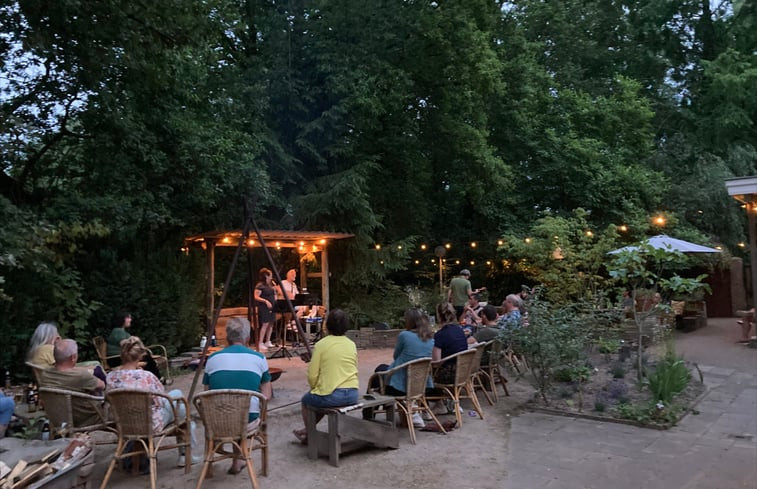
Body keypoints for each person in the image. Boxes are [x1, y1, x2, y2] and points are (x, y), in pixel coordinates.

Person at [106, 336, 200, 466]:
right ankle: (185, 453)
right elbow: (160, 399)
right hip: (149, 423)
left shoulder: (110, 377)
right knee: (179, 400)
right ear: (140, 356)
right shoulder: (147, 376)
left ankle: (186, 446)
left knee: (176, 400)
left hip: (123, 423)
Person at [204, 317, 272, 474]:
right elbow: (266, 396)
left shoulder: (213, 358)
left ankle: (228, 460)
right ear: (247, 338)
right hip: (247, 422)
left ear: (227, 337)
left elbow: (207, 392)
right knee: (246, 411)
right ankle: (238, 459)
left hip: (217, 422)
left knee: (229, 409)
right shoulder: (259, 358)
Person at [292, 309, 358, 444]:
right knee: (320, 397)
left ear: (327, 325)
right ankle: (308, 429)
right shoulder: (351, 344)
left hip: (332, 395)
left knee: (308, 400)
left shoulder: (321, 344)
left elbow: (312, 375)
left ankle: (310, 435)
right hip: (353, 393)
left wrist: (315, 387)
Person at [370, 308, 435, 427]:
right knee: (382, 368)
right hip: (419, 385)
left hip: (400, 387)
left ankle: (369, 415)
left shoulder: (404, 335)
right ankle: (384, 407)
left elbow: (396, 356)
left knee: (377, 377)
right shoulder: (431, 339)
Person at [39, 339, 105, 427]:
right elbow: (102, 385)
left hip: (59, 418)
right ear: (73, 357)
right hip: (86, 418)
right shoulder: (81, 376)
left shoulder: (45, 373)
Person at [106, 311, 162, 379]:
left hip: (122, 357)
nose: (130, 319)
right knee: (148, 359)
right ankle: (156, 379)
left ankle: (155, 378)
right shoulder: (118, 332)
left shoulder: (121, 331)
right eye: (128, 317)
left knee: (147, 357)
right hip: (116, 359)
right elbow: (126, 346)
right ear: (121, 319)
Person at [432, 302, 468, 384]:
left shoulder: (440, 335)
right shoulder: (459, 330)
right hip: (464, 371)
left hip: (449, 375)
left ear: (439, 316)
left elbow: (436, 364)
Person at [254, 268, 280, 351]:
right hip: (264, 307)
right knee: (265, 324)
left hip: (272, 306)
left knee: (271, 323)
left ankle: (267, 341)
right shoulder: (260, 285)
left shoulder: (271, 285)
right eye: (270, 275)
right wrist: (265, 301)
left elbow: (275, 294)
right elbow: (256, 296)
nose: (271, 277)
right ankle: (260, 342)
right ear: (266, 275)